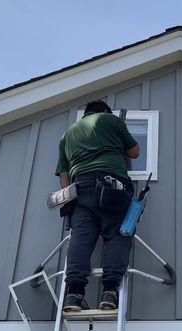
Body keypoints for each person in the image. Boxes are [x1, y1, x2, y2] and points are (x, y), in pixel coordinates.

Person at [55, 100, 139, 312]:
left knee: (80, 240)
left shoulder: (67, 135)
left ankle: (74, 294)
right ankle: (110, 291)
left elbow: (64, 174)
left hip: (80, 190)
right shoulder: (111, 121)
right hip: (112, 186)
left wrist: (68, 201)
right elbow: (135, 152)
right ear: (104, 111)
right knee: (117, 235)